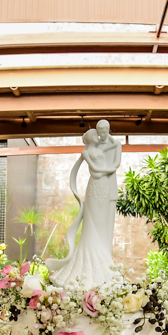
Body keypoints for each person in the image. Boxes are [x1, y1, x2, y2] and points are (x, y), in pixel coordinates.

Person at [47, 120, 121, 286]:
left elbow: (114, 160)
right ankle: (88, 263)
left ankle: (103, 261)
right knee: (91, 222)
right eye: (97, 133)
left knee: (102, 223)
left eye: (102, 132)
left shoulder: (109, 145)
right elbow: (93, 171)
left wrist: (104, 171)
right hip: (94, 187)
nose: (100, 135)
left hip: (104, 187)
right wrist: (103, 171)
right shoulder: (86, 152)